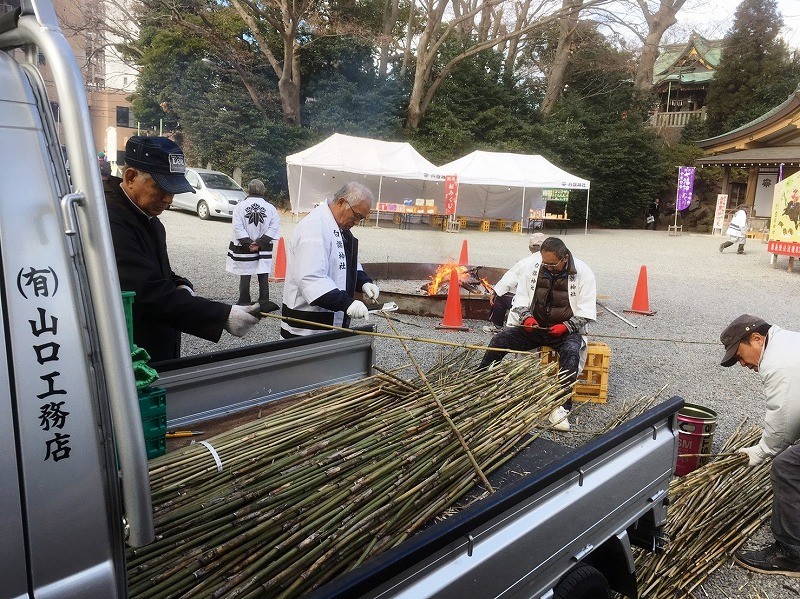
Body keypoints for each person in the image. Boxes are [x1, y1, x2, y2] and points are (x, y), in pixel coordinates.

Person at [105, 136, 260, 361]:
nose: (168, 199)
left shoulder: (148, 217)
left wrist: (181, 285)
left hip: (156, 343)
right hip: (130, 352)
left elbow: (159, 274)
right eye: (160, 188)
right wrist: (222, 315)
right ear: (130, 177)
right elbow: (145, 291)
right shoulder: (110, 220)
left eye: (174, 190)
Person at [478, 237, 597, 431]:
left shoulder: (583, 272)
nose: (548, 267)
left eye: (552, 264)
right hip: (535, 328)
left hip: (565, 331)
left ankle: (562, 405)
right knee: (500, 339)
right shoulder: (534, 267)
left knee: (571, 352)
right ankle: (480, 380)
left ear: (564, 258)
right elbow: (521, 299)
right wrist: (526, 318)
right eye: (545, 263)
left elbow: (586, 312)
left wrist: (566, 326)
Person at [719, 314, 800, 577]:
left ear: (756, 338)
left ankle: (791, 553)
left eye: (739, 355)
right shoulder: (786, 342)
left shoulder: (778, 362)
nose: (741, 363)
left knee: (786, 467)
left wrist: (761, 451)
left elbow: (784, 420)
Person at [280, 182, 379, 338]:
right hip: (307, 324)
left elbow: (346, 262)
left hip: (329, 319)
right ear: (341, 202)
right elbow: (311, 278)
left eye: (362, 218)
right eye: (357, 215)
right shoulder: (313, 227)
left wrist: (364, 281)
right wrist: (347, 303)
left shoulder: (339, 228)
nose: (357, 222)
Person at [226, 179, 280, 313]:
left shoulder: (240, 206)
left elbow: (237, 227)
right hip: (264, 246)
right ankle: (264, 301)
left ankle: (244, 300)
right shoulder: (271, 208)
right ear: (263, 191)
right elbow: (274, 227)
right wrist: (260, 243)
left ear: (249, 190)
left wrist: (249, 243)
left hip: (245, 246)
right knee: (263, 274)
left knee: (245, 272)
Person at [482, 232, 546, 334]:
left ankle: (497, 326)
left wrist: (495, 292)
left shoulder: (525, 262)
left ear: (530, 248)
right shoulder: (553, 261)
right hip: (548, 305)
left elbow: (509, 280)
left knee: (500, 296)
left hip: (527, 304)